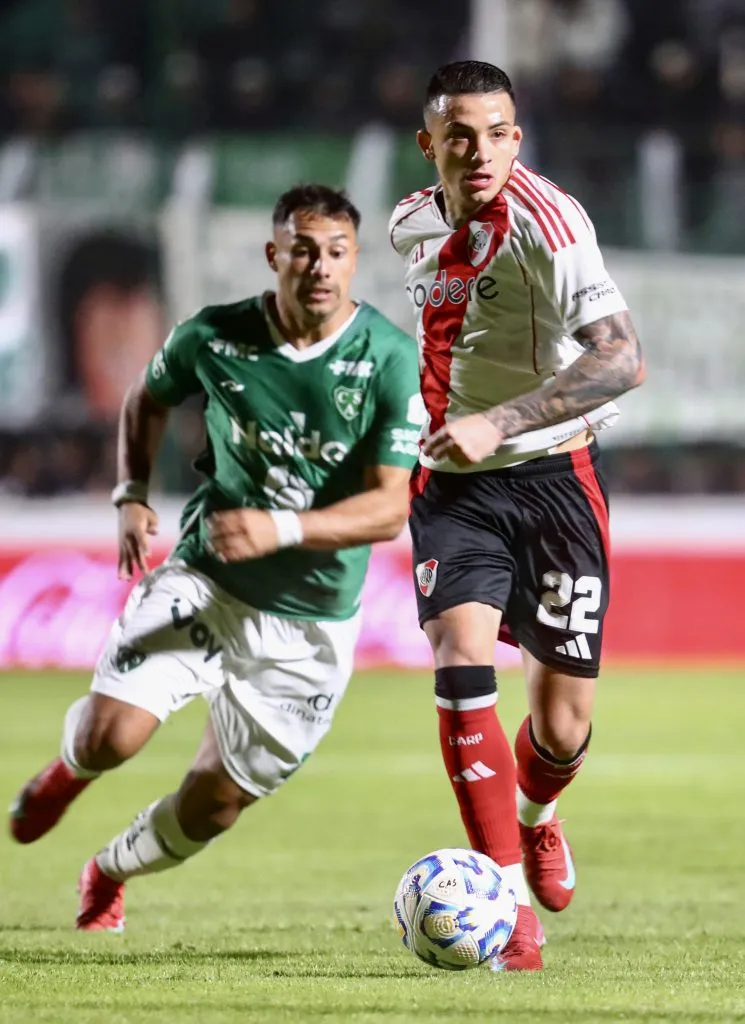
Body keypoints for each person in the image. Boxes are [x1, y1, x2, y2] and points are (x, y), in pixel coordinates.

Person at [9, 183, 422, 932]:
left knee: (215, 806)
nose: (319, 267)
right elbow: (146, 397)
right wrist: (132, 490)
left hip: (312, 625)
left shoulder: (389, 359)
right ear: (274, 255)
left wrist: (283, 530)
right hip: (207, 582)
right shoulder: (215, 336)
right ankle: (69, 773)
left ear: (354, 260)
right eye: (303, 250)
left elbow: (391, 507)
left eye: (335, 252)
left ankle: (108, 870)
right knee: (112, 737)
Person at [389, 61, 645, 971]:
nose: (482, 151)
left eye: (499, 132)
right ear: (430, 145)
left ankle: (538, 820)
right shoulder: (410, 224)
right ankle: (505, 903)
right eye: (461, 135)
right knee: (460, 659)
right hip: (455, 487)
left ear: (517, 138)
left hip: (555, 481)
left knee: (562, 727)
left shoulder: (552, 224)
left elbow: (621, 361)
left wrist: (497, 420)